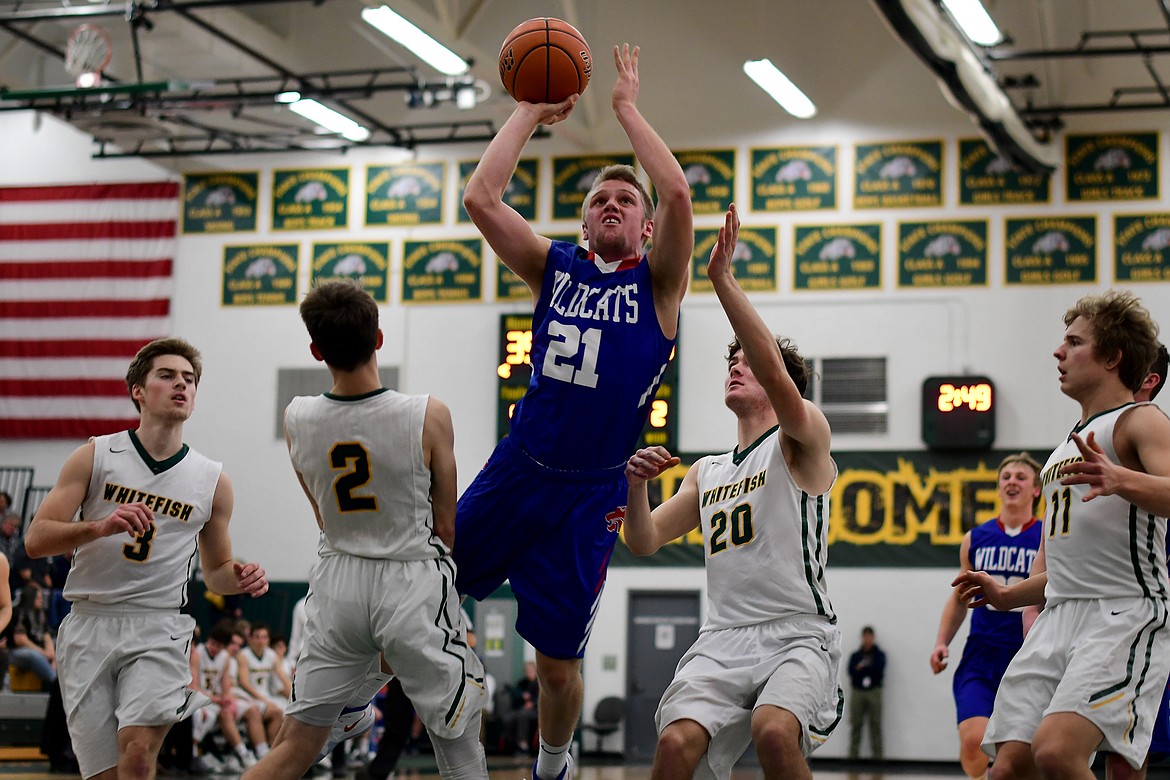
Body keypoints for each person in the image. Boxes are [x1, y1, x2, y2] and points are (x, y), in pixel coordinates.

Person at [457, 42, 694, 780]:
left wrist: (625, 110)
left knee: (557, 672)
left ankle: (552, 762)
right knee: (428, 592)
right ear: (585, 224)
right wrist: (527, 109)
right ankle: (378, 718)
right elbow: (481, 200)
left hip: (591, 493)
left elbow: (679, 194)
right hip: (518, 468)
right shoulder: (552, 266)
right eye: (600, 200)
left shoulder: (658, 285)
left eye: (628, 200)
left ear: (646, 229)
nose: (614, 204)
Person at [622, 205, 841, 780]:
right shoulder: (707, 470)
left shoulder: (802, 438)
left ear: (780, 382)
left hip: (798, 632)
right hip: (723, 637)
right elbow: (641, 542)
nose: (736, 368)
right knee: (674, 748)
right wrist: (635, 485)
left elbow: (771, 364)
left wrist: (722, 280)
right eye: (731, 362)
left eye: (749, 361)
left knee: (773, 729)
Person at [242, 280, 487, 780]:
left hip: (337, 580)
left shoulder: (297, 417)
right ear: (378, 338)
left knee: (295, 746)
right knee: (458, 741)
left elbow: (320, 513)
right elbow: (445, 523)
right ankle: (360, 696)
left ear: (316, 351)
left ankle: (354, 701)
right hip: (410, 574)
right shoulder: (428, 414)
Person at [24, 336, 269, 780]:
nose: (182, 385)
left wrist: (241, 576)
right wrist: (97, 527)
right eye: (168, 375)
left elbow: (215, 573)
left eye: (190, 379)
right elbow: (36, 539)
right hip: (89, 623)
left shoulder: (212, 479)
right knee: (105, 774)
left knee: (138, 755)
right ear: (138, 390)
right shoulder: (95, 455)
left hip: (158, 625)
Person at [954, 290, 1170, 780]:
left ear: (1113, 357)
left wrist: (1122, 480)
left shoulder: (1141, 420)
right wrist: (1007, 595)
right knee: (1007, 768)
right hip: (1062, 613)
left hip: (1125, 610)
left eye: (1074, 342)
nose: (1058, 351)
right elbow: (1067, 572)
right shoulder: (1062, 451)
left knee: (1056, 752)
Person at [930, 452, 1044, 780]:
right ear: (998, 488)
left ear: (1036, 489)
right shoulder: (975, 539)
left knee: (1021, 755)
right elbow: (960, 597)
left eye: (1021, 477)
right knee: (973, 742)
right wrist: (941, 642)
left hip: (1026, 654)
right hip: (980, 653)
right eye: (1006, 476)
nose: (1011, 481)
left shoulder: (1046, 537)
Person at [848, 626, 885, 761]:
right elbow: (851, 671)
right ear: (862, 637)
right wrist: (864, 670)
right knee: (855, 724)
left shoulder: (879, 655)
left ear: (873, 638)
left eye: (870, 636)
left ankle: (878, 757)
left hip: (874, 691)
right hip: (858, 691)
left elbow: (878, 670)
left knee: (875, 724)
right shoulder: (855, 656)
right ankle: (853, 757)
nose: (868, 639)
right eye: (865, 636)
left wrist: (862, 668)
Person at [10, 582, 56, 689]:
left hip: (39, 650)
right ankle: (55, 681)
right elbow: (20, 640)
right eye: (38, 598)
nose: (41, 600)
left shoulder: (40, 614)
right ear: (31, 597)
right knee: (33, 655)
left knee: (60, 642)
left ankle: (59, 681)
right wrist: (44, 653)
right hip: (16, 651)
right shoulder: (20, 612)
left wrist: (52, 655)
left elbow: (46, 635)